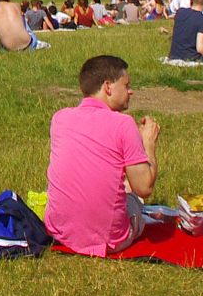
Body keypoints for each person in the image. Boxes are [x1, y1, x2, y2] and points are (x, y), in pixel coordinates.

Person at [44, 56, 160, 256]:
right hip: (109, 238)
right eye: (127, 85)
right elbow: (144, 187)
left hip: (59, 231)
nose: (130, 91)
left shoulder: (60, 118)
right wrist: (148, 143)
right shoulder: (123, 124)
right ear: (108, 87)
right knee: (135, 198)